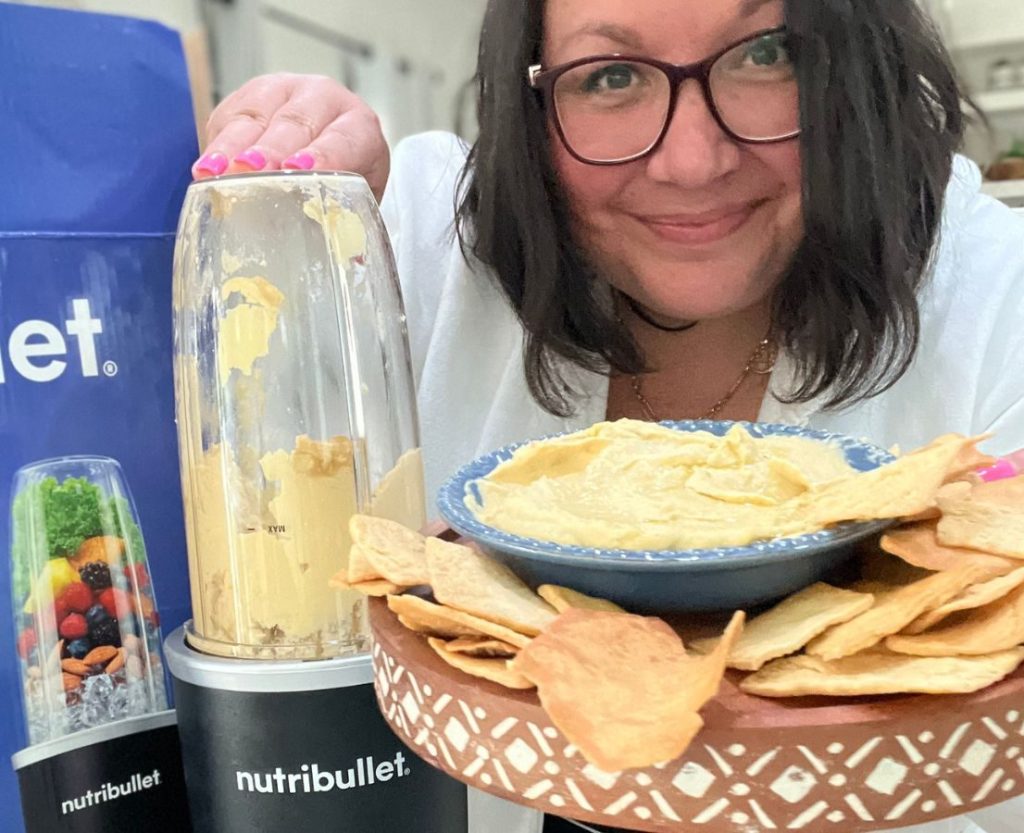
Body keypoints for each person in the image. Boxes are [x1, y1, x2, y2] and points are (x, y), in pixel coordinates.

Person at [193, 2, 1024, 832]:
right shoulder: (420, 249)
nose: (692, 160)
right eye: (611, 77)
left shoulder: (995, 297)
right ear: (530, 108)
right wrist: (294, 236)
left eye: (767, 54)